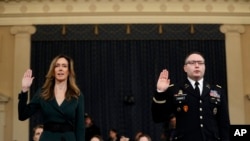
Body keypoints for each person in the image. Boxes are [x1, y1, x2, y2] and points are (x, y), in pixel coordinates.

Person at [151, 51, 230, 141]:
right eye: (192, 63)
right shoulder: (175, 90)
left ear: (204, 67)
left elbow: (224, 124)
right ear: (185, 68)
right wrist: (160, 92)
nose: (197, 65)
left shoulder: (217, 90)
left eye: (200, 63)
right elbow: (158, 117)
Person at [18, 54, 84, 141]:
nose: (60, 69)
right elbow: (23, 115)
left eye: (64, 66)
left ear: (69, 71)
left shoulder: (77, 95)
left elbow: (80, 127)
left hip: (68, 138)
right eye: (57, 66)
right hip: (48, 138)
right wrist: (24, 90)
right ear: (53, 70)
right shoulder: (43, 92)